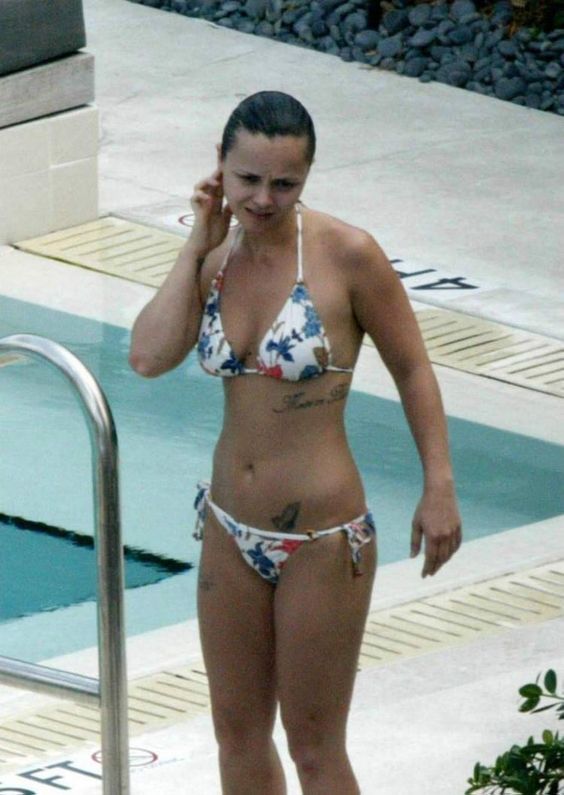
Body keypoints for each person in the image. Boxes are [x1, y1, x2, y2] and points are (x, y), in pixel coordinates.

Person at [129, 91, 462, 795]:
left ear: (307, 176)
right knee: (236, 733)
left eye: (285, 183)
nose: (263, 199)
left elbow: (413, 368)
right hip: (229, 526)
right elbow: (147, 357)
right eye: (248, 179)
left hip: (322, 537)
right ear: (219, 167)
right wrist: (195, 243)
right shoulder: (216, 259)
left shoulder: (348, 255)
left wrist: (439, 486)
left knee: (314, 746)